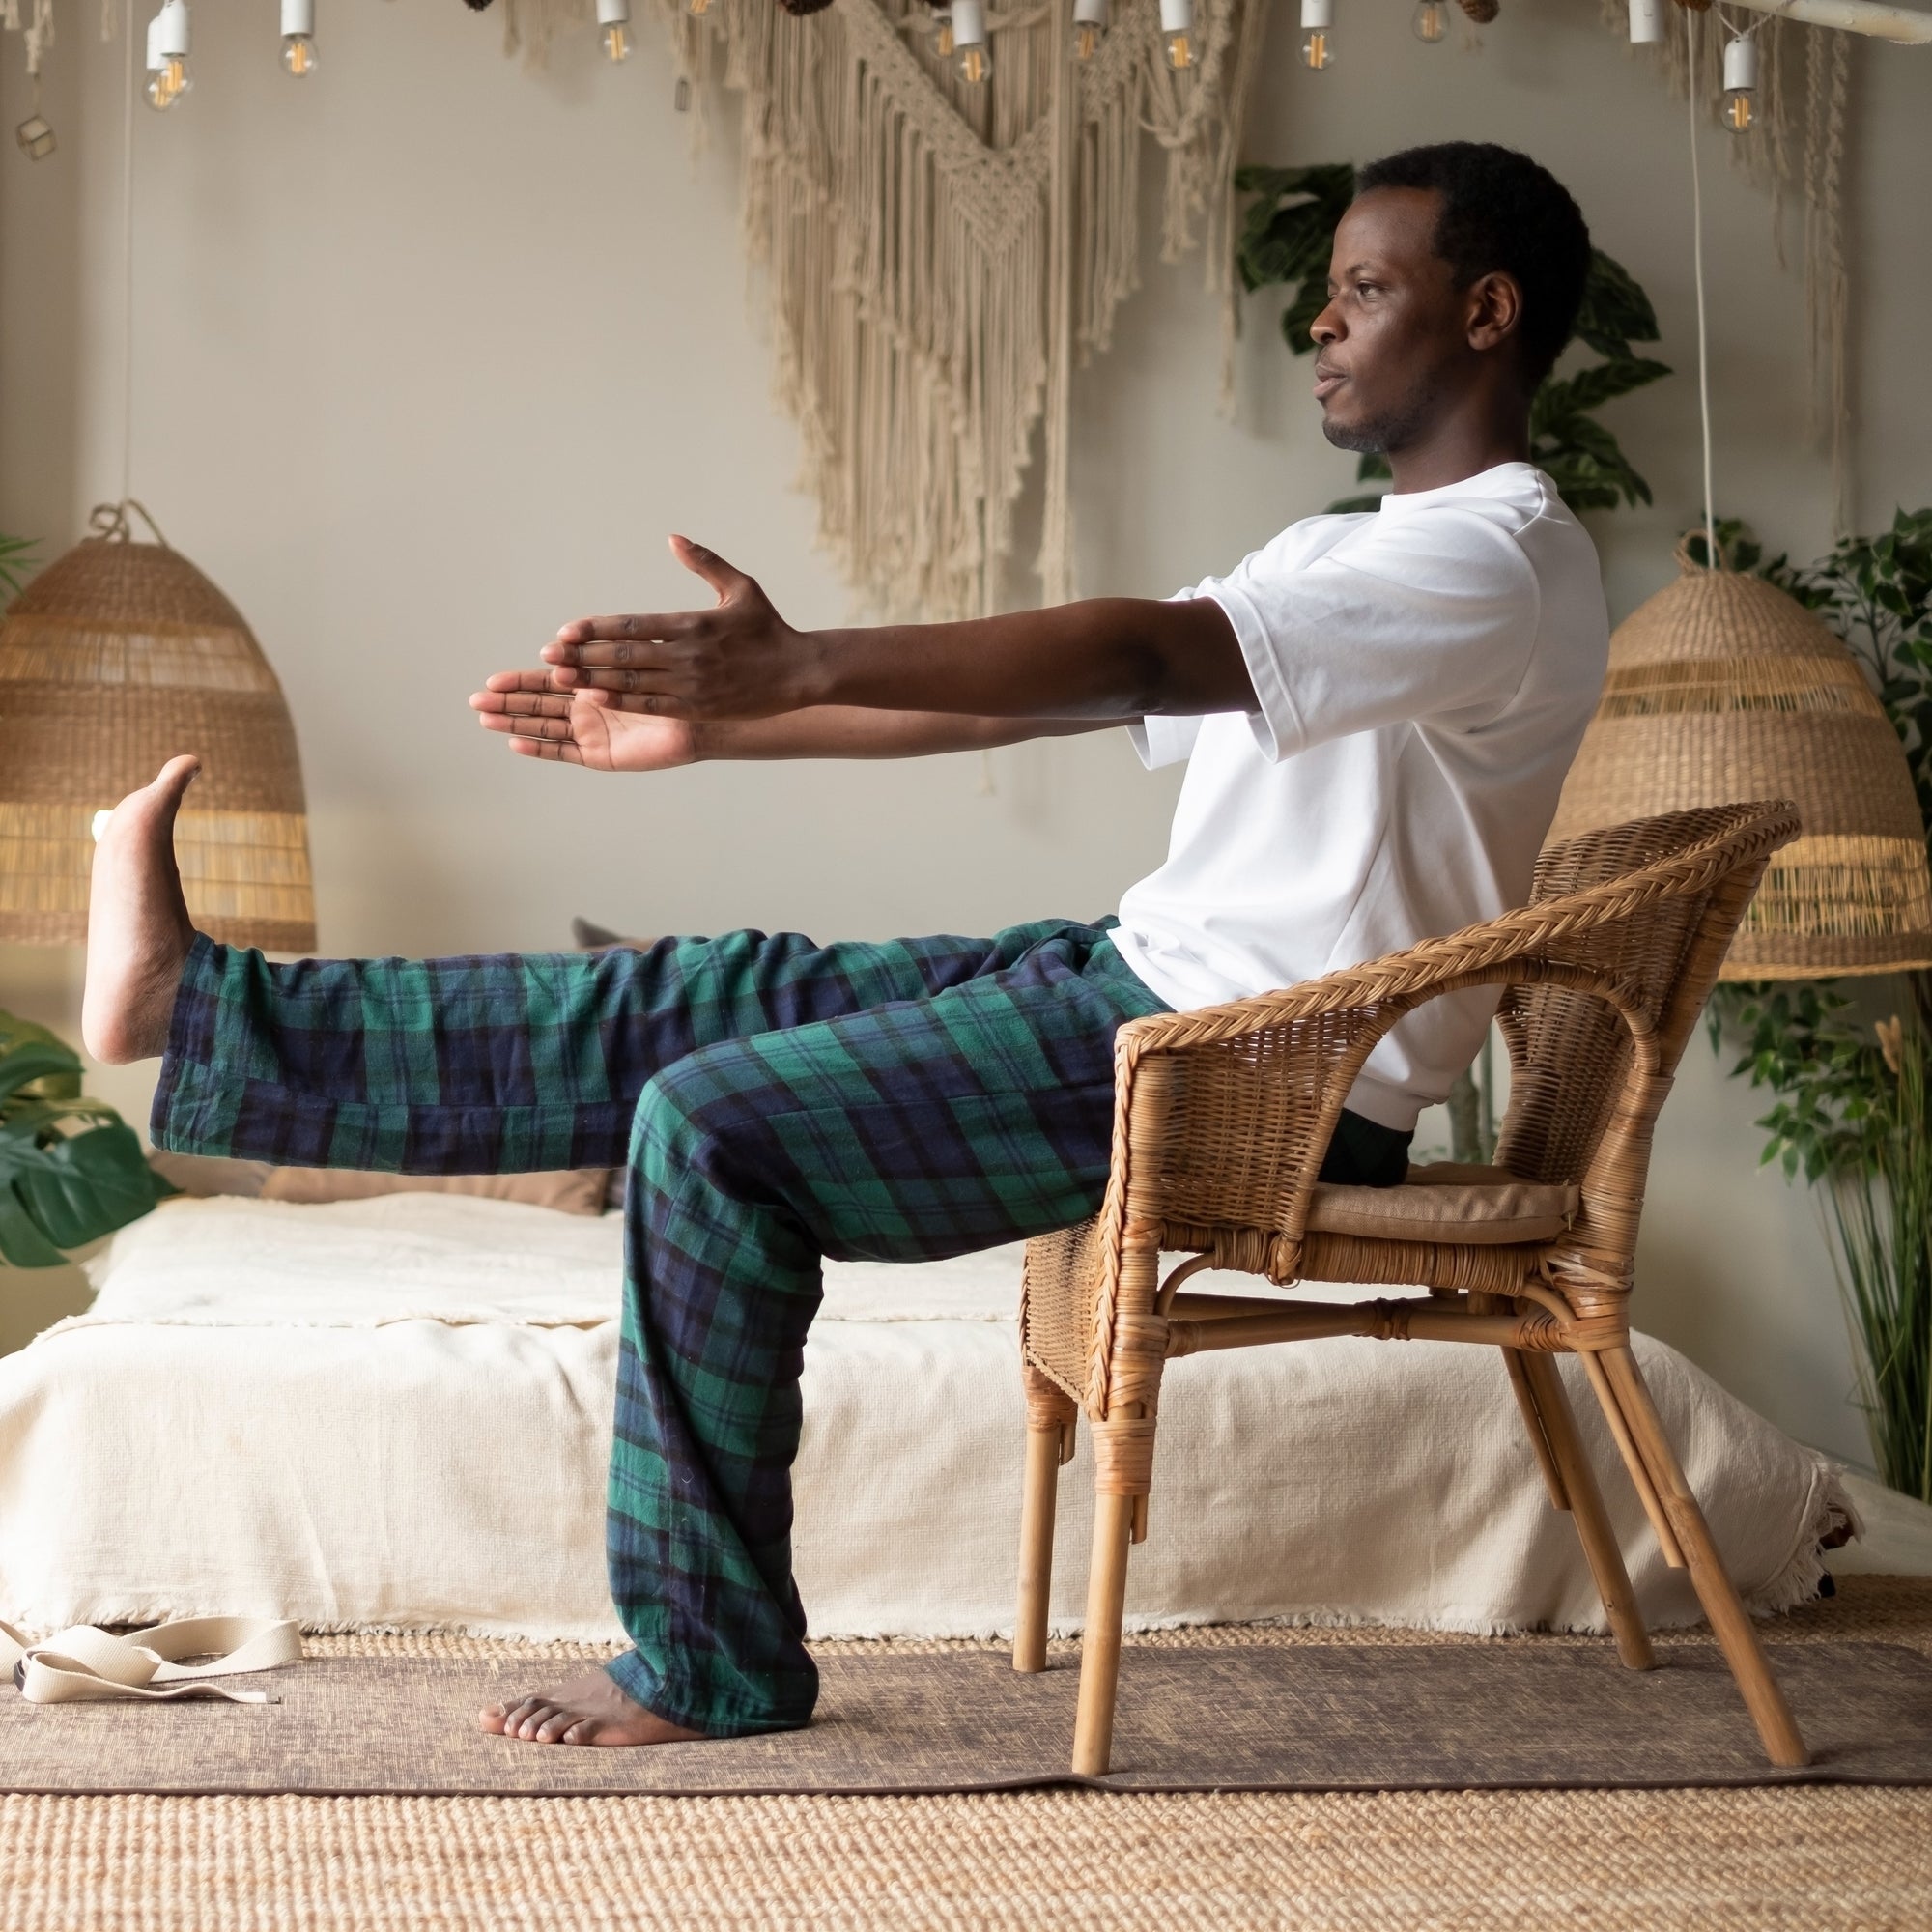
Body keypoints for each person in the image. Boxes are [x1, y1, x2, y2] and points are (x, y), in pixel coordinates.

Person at [81, 141, 1609, 1748]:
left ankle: (708, 1663)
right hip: (1146, 989)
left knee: (714, 1129)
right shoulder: (1350, 551)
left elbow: (1135, 650)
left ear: (1488, 310)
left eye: (1365, 289)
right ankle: (199, 1008)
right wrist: (728, 730)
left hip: (1260, 1077)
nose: (1324, 323)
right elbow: (1099, 687)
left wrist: (795, 666)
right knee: (699, 998)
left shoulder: (1493, 561)